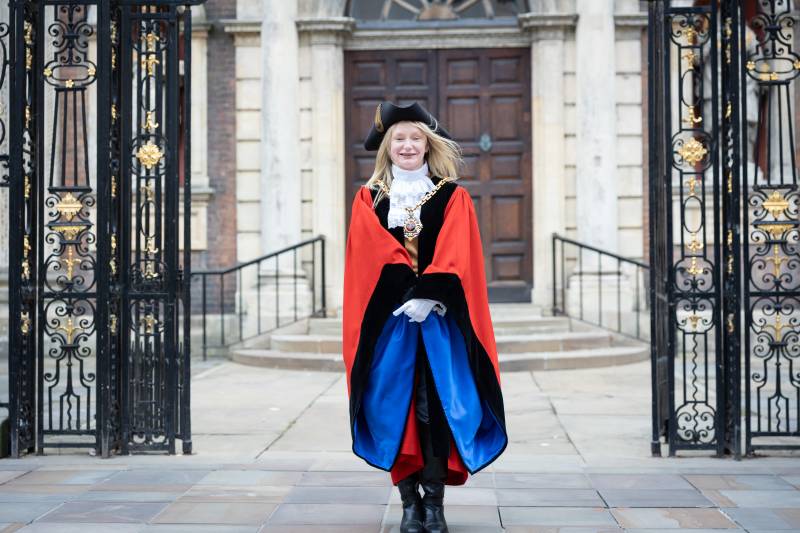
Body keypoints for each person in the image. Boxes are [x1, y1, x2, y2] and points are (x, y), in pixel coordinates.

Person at [342, 101, 508, 533]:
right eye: (399, 138)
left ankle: (433, 504)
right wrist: (403, 293)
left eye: (416, 138)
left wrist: (431, 293)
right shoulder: (369, 197)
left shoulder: (453, 196)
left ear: (428, 145)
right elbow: (369, 252)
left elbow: (457, 250)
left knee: (435, 406)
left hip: (439, 323)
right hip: (389, 324)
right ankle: (408, 505)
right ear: (387, 147)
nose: (408, 145)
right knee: (394, 409)